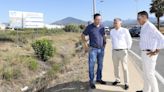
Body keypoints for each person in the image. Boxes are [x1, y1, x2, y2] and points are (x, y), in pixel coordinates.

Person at [136, 11, 164, 92]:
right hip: (144, 53)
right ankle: (146, 90)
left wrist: (157, 50)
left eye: (139, 18)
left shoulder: (150, 26)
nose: (138, 20)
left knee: (150, 75)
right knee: (145, 74)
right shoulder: (144, 26)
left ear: (144, 17)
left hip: (149, 54)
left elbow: (162, 38)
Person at [81, 13, 107, 89]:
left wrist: (104, 44)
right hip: (93, 49)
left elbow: (104, 36)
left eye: (100, 19)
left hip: (101, 49)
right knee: (91, 65)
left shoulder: (102, 26)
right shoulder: (89, 27)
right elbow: (82, 36)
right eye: (97, 19)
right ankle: (91, 81)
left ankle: (99, 78)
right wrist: (85, 45)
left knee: (100, 65)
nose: (99, 21)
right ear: (94, 19)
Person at [110, 18, 132, 90]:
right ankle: (117, 79)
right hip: (114, 51)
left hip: (123, 51)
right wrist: (113, 49)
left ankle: (126, 83)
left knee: (125, 68)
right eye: (114, 23)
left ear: (120, 23)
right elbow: (112, 41)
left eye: (116, 22)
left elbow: (129, 40)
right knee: (116, 67)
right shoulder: (112, 31)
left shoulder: (125, 30)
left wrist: (127, 49)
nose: (115, 24)